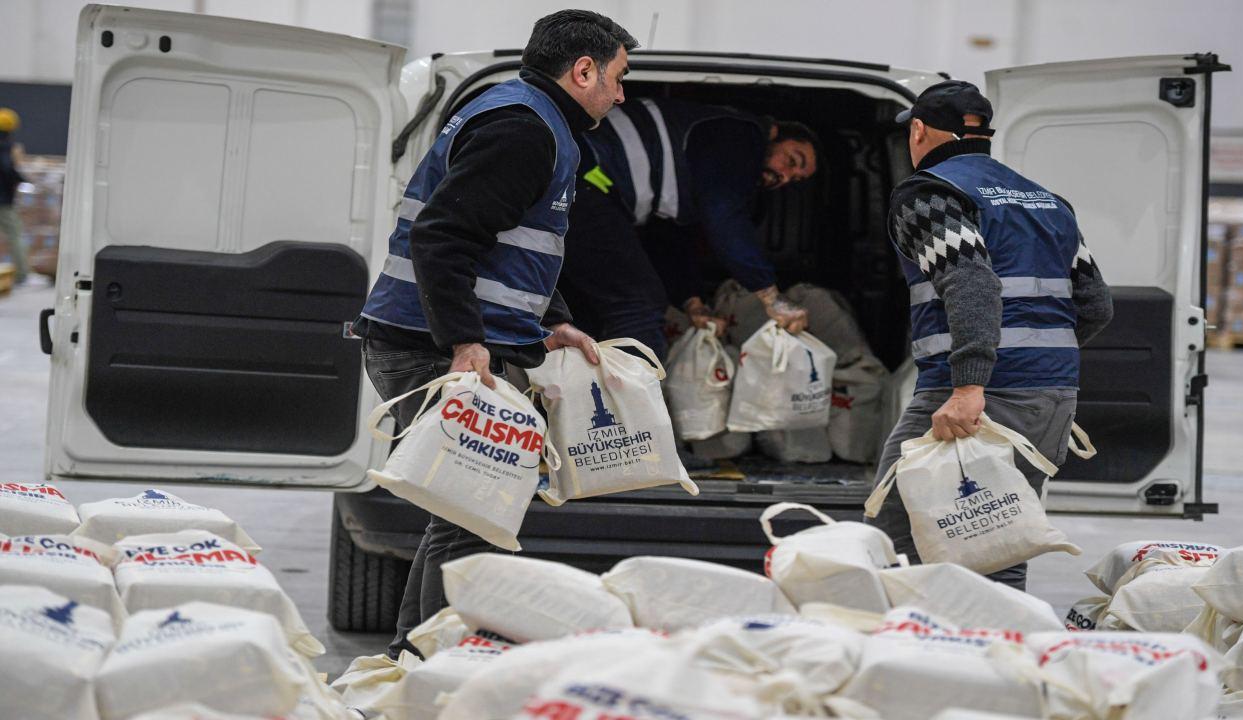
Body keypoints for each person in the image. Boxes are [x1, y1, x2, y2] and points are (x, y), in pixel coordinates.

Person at [353, 9, 637, 657]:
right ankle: (431, 668)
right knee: (471, 522)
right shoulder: (523, 130)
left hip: (432, 340)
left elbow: (513, 245)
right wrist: (464, 342)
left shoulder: (531, 118)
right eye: (618, 78)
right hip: (433, 348)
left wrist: (554, 319)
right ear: (583, 69)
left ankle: (417, 659)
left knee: (463, 518)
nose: (622, 95)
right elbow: (444, 235)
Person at [865, 80, 1113, 590]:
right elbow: (1095, 306)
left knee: (895, 536)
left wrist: (970, 385)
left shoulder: (930, 193)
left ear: (917, 131)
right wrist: (1039, 364)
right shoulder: (1047, 202)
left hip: (971, 400)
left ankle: (913, 658)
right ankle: (996, 658)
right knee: (998, 545)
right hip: (1049, 400)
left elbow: (971, 281)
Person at [558, 99, 820, 355]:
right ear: (773, 133)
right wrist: (771, 297)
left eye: (793, 179)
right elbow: (725, 217)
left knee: (590, 306)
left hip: (585, 187)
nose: (784, 177)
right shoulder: (742, 135)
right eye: (791, 160)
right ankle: (628, 397)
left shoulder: (699, 176)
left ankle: (581, 392)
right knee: (641, 305)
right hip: (584, 174)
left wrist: (693, 302)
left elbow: (670, 236)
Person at [0, 108, 30, 285]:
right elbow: (7, 168)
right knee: (15, 234)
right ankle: (22, 273)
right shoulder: (9, 148)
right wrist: (21, 180)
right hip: (4, 201)